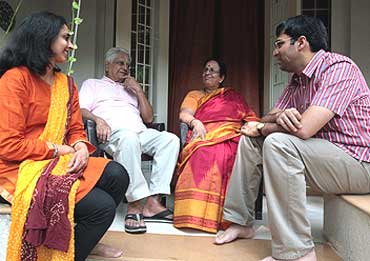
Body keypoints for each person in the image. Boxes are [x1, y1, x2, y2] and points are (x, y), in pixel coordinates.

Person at [214, 15, 370, 261]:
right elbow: (267, 118)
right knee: (251, 139)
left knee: (277, 142)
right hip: (324, 156)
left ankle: (297, 252)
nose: (275, 53)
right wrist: (275, 119)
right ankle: (240, 221)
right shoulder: (297, 80)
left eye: (279, 44)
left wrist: (265, 128)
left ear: (301, 43)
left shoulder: (339, 69)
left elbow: (304, 129)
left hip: (358, 162)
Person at [0, 12, 130, 261]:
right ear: (43, 39)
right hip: (19, 168)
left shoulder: (65, 83)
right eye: (65, 38)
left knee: (117, 175)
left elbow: (75, 129)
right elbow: (8, 146)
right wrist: (59, 150)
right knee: (101, 209)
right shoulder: (14, 80)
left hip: (57, 160)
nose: (71, 44)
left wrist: (80, 146)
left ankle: (83, 240)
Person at [79, 47, 180, 234]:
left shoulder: (131, 89)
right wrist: (98, 120)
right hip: (113, 134)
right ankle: (134, 204)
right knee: (129, 139)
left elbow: (148, 118)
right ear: (107, 65)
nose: (125, 67)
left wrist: (139, 91)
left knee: (171, 140)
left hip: (140, 132)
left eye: (127, 64)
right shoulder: (93, 84)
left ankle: (153, 202)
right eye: (120, 63)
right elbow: (81, 109)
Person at [173, 58, 259, 233]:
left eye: (212, 70)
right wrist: (195, 122)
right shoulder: (194, 95)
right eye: (205, 69)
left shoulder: (232, 97)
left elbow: (251, 118)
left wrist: (248, 128)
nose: (207, 73)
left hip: (230, 134)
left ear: (221, 78)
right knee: (202, 151)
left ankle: (228, 217)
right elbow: (185, 114)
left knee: (232, 153)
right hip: (203, 134)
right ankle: (192, 213)